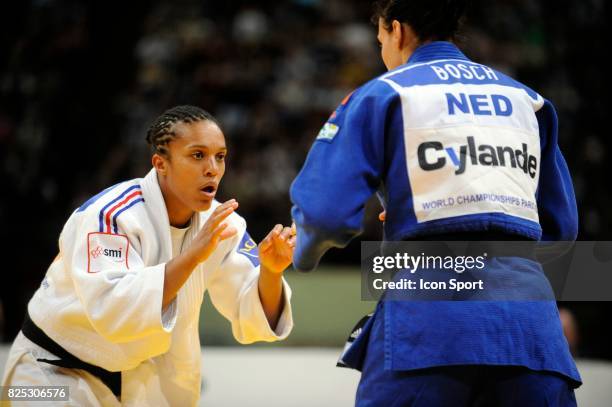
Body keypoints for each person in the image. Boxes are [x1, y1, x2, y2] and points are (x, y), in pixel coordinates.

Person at [290, 0, 580, 405]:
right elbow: (561, 228)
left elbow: (324, 215)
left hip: (428, 326)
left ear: (397, 30)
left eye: (380, 41)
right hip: (531, 331)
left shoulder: (385, 94)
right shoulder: (527, 100)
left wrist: (304, 254)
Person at [1, 105, 295, 406]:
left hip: (140, 384)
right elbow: (116, 310)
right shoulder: (110, 215)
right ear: (160, 163)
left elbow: (251, 309)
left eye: (220, 156)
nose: (212, 168)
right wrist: (193, 255)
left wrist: (271, 272)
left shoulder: (223, 225)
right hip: (50, 370)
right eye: (197, 155)